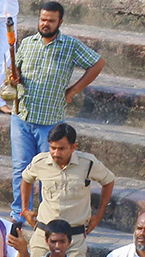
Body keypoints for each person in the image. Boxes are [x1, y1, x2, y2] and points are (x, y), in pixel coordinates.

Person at [8, 1, 103, 222]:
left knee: (49, 172)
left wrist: (74, 90)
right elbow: (15, 73)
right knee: (21, 169)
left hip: (50, 123)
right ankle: (20, 213)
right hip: (21, 116)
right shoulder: (27, 43)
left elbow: (97, 64)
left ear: (60, 22)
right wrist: (13, 77)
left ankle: (46, 215)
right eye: (43, 19)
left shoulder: (70, 46)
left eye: (51, 20)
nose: (46, 24)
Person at [20, 122, 114, 257]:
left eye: (61, 149)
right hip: (44, 235)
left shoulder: (88, 164)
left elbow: (108, 180)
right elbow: (26, 179)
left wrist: (99, 215)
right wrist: (25, 209)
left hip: (74, 239)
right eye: (53, 148)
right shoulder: (40, 162)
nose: (56, 153)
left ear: (73, 147)